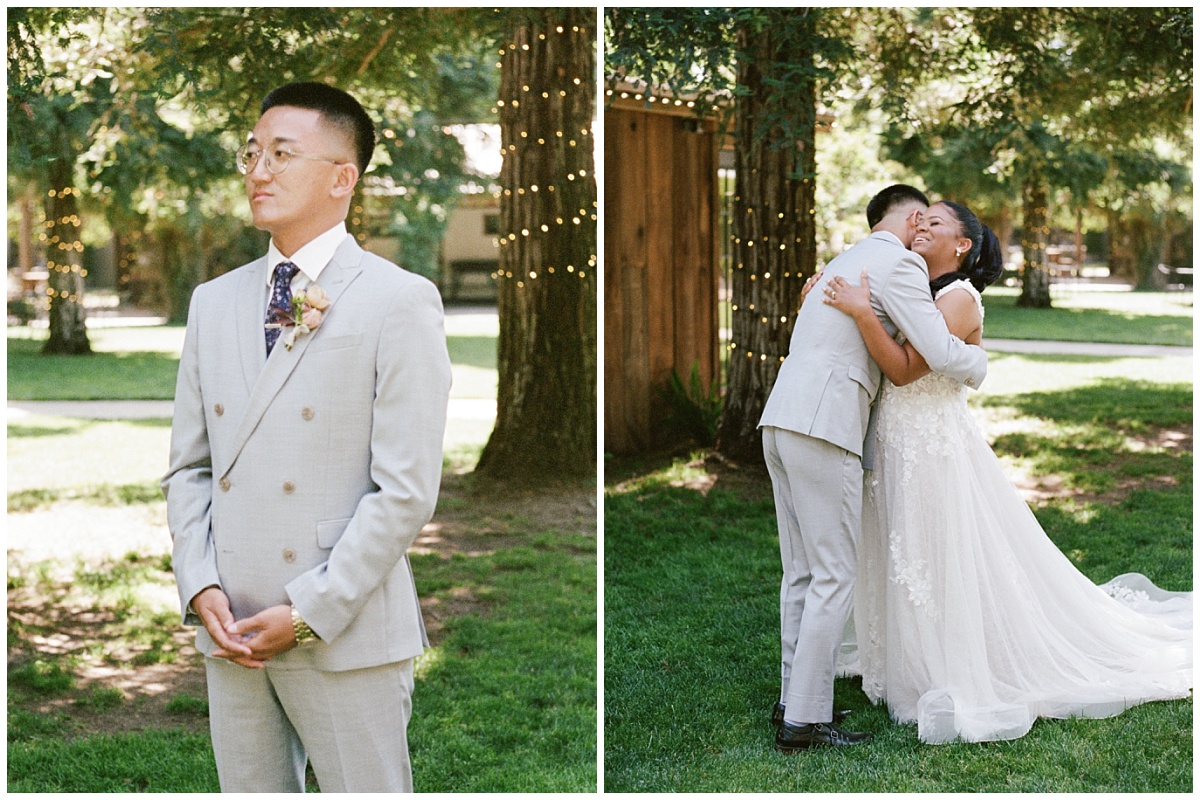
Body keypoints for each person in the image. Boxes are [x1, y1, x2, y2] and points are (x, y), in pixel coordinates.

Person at [162, 82, 452, 791]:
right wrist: (200, 586)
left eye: (281, 154)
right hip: (232, 630)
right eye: (252, 153)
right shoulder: (214, 301)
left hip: (341, 627)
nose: (258, 171)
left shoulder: (398, 300)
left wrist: (310, 612)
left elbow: (405, 492)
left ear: (341, 177)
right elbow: (189, 469)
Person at [822, 200, 1192, 744]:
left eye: (936, 222)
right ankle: (898, 659)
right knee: (901, 547)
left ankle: (944, 665)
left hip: (932, 449)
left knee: (932, 550)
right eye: (919, 219)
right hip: (896, 443)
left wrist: (859, 313)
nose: (922, 225)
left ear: (963, 245)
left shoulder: (957, 299)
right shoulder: (911, 289)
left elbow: (902, 371)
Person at [757, 185, 989, 752]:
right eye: (925, 220)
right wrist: (977, 362)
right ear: (912, 219)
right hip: (824, 424)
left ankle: (794, 701)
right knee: (833, 573)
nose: (925, 231)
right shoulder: (900, 263)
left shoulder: (844, 260)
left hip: (781, 419)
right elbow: (935, 349)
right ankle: (804, 722)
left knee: (803, 573)